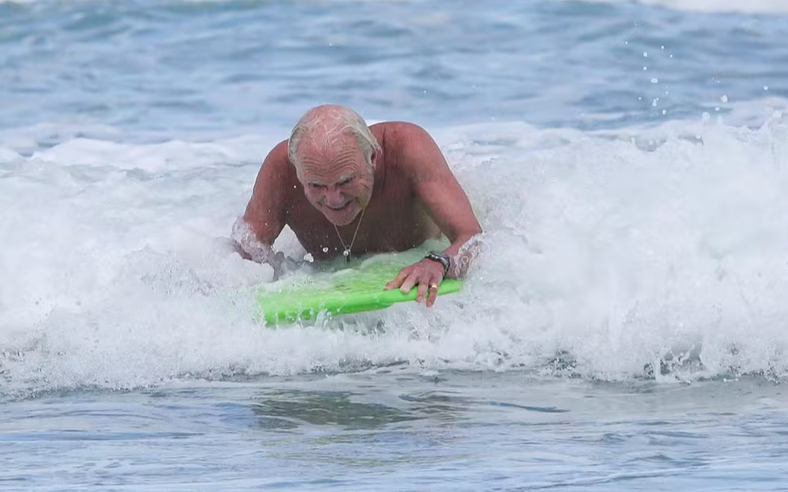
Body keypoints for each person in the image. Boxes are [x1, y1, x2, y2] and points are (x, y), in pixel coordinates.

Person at [232, 105, 482, 307]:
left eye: (346, 181)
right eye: (316, 185)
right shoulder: (280, 171)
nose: (333, 199)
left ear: (373, 158)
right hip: (332, 281)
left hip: (417, 280)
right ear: (298, 172)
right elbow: (244, 255)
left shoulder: (407, 149)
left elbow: (474, 240)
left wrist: (438, 262)